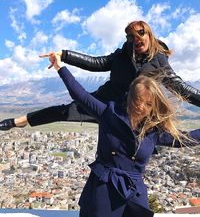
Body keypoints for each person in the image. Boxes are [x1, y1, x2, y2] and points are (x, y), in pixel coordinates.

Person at [51, 52, 200, 217]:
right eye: (138, 100)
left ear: (154, 106)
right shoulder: (109, 114)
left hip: (134, 193)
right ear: (130, 98)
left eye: (148, 103)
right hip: (103, 188)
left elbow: (186, 139)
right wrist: (60, 66)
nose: (141, 106)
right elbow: (81, 95)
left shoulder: (153, 131)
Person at [1, 20, 200, 130]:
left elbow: (179, 86)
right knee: (64, 111)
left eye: (140, 32)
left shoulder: (159, 61)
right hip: (105, 103)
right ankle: (18, 121)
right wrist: (65, 55)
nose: (136, 38)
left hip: (135, 113)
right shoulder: (121, 55)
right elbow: (96, 63)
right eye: (130, 35)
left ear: (149, 34)